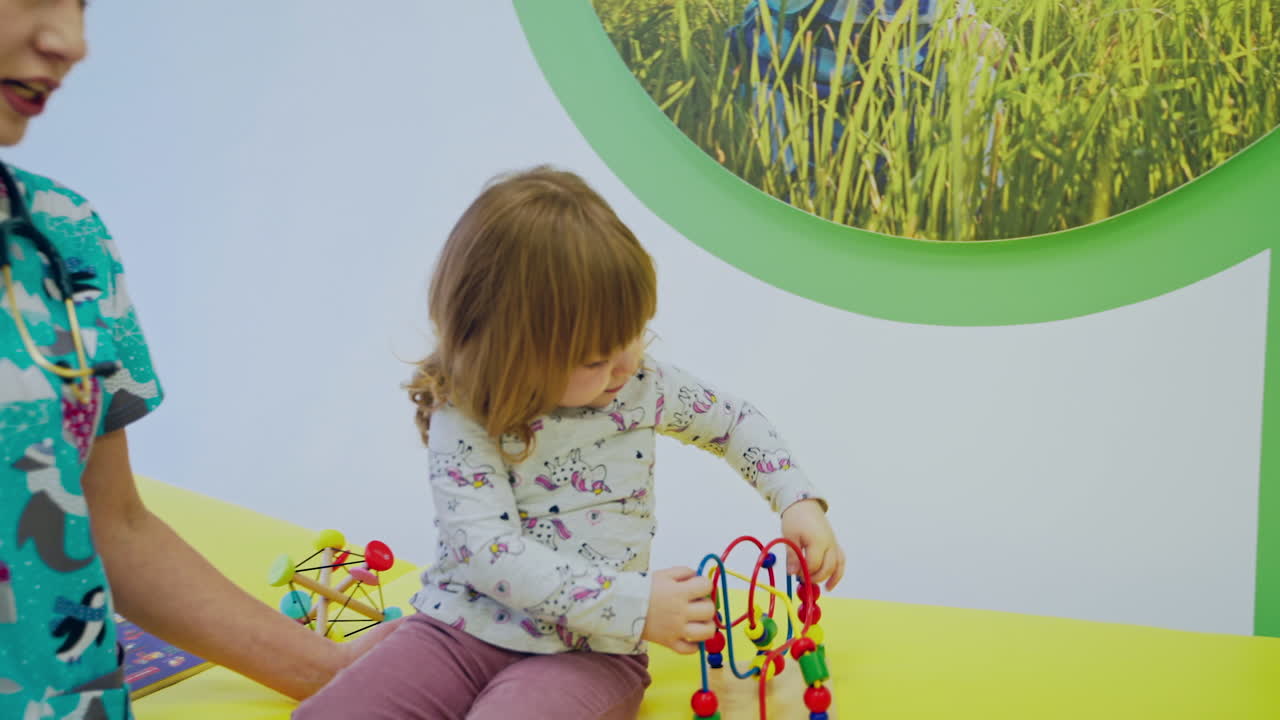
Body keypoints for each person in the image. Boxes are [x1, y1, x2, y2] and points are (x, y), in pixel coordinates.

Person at [293, 167, 847, 720]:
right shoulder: (464, 413)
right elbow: (490, 555)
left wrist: (795, 498)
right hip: (457, 631)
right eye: (594, 359)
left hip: (588, 653)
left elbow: (733, 423)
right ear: (510, 357)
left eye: (633, 333)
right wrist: (640, 604)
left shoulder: (640, 385)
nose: (626, 364)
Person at [0, 2, 395, 718]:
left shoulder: (65, 239)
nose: (72, 42)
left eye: (82, 6)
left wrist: (334, 671)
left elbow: (111, 522)